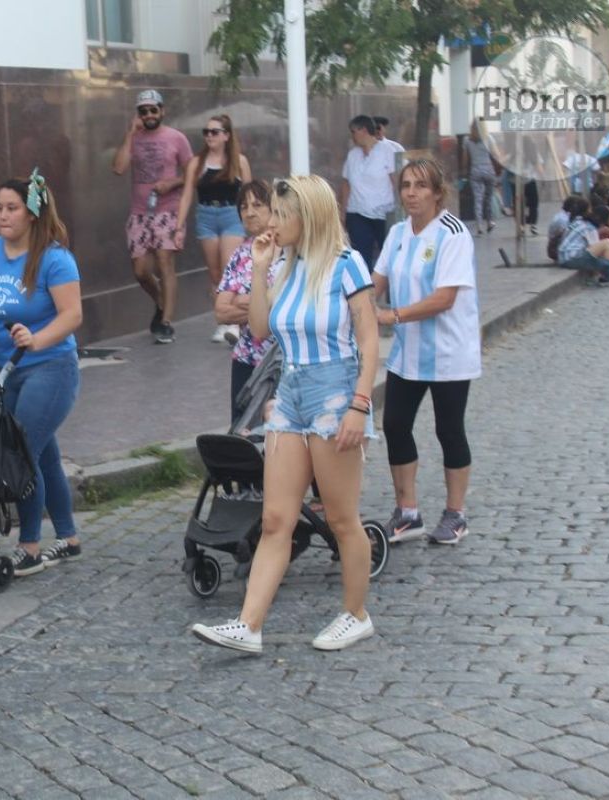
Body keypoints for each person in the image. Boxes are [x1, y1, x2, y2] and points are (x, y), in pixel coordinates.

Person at [190, 175, 381, 654]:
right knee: (277, 518)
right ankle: (248, 625)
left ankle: (355, 614)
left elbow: (371, 339)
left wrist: (360, 404)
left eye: (280, 213)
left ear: (308, 216)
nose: (271, 221)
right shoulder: (285, 266)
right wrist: (258, 270)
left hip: (335, 392)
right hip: (291, 390)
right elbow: (259, 328)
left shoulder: (346, 264)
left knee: (340, 519)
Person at [0, 170, 84, 576]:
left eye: (12, 208)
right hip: (7, 370)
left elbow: (73, 314)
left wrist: (37, 339)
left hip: (50, 367)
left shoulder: (54, 258)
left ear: (31, 214)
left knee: (19, 453)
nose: (2, 216)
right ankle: (68, 538)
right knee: (42, 455)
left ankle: (28, 546)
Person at [371, 159, 481, 547]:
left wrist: (392, 315)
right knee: (396, 424)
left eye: (420, 186)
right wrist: (356, 301)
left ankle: (455, 513)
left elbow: (444, 298)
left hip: (449, 352)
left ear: (437, 192)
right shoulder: (398, 232)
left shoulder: (452, 233)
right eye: (406, 186)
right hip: (408, 352)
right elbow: (377, 282)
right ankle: (408, 512)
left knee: (448, 429)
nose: (412, 193)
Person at [112, 89, 193, 344]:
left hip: (168, 210)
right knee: (140, 271)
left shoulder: (176, 138)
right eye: (143, 111)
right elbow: (118, 168)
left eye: (153, 110)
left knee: (164, 261)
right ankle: (161, 301)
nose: (148, 115)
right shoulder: (134, 139)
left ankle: (166, 322)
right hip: (140, 213)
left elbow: (192, 175)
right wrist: (129, 134)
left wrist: (173, 183)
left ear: (162, 111)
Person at [175, 113, 253, 344]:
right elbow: (187, 193)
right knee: (215, 273)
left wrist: (252, 220)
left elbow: (249, 193)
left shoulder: (239, 161)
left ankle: (236, 323)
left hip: (231, 215)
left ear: (226, 136)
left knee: (231, 269)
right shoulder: (197, 163)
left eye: (214, 132)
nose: (209, 136)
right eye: (206, 132)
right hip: (206, 215)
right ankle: (223, 318)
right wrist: (179, 227)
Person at [214, 179, 276, 417]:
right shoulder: (240, 255)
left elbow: (283, 306)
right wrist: (263, 304)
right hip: (246, 359)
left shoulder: (290, 252)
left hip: (280, 362)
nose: (249, 213)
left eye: (257, 205)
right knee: (243, 436)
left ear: (273, 209)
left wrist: (242, 300)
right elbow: (221, 312)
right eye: (243, 207)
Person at [341, 115, 396, 267]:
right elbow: (346, 183)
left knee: (388, 257)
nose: (352, 136)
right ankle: (365, 289)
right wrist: (343, 212)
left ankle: (388, 289)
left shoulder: (387, 151)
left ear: (364, 130)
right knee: (360, 259)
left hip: (383, 213)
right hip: (357, 213)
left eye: (353, 132)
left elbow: (395, 180)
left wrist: (403, 209)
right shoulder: (353, 155)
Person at [556, 203, 609, 284]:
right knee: (607, 243)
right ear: (603, 221)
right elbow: (598, 253)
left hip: (563, 256)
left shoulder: (579, 221)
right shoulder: (591, 228)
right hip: (572, 258)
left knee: (600, 256)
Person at [463, 120, 497, 236]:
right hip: (488, 170)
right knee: (488, 197)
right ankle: (490, 221)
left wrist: (465, 172)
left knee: (478, 199)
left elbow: (466, 159)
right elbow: (495, 154)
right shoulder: (489, 139)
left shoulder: (467, 141)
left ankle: (479, 226)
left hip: (475, 171)